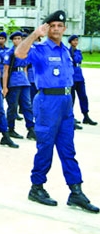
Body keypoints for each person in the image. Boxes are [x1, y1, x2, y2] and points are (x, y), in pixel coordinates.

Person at [15, 11, 98, 213]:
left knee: (68, 149)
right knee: (45, 147)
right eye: (52, 26)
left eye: (59, 26)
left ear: (64, 29)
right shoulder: (41, 49)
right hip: (47, 102)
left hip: (66, 103)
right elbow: (19, 53)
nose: (56, 29)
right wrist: (35, 34)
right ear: (47, 28)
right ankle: (36, 187)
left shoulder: (65, 51)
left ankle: (76, 192)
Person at [2, 31, 36, 140]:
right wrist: (5, 86)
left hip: (24, 81)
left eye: (19, 38)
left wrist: (26, 80)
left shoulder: (24, 52)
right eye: (15, 39)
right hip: (14, 81)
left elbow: (25, 68)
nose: (17, 40)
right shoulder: (10, 53)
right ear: (12, 41)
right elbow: (6, 70)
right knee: (13, 106)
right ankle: (10, 129)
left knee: (27, 105)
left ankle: (31, 128)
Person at [68, 35, 97, 126]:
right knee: (71, 98)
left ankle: (86, 115)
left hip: (79, 77)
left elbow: (78, 61)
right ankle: (70, 117)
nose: (76, 42)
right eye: (74, 40)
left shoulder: (78, 52)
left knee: (83, 96)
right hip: (72, 77)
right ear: (70, 42)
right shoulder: (68, 52)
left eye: (77, 40)